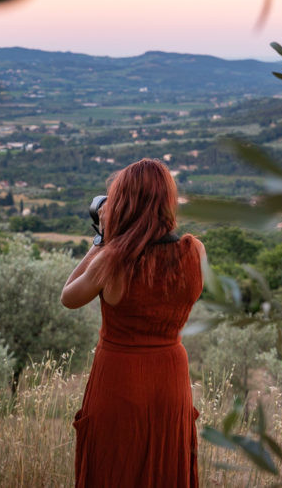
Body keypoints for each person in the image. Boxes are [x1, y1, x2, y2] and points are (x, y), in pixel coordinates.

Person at [61, 158, 205, 488]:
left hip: (119, 381)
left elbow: (68, 296)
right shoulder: (194, 251)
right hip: (171, 381)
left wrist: (102, 240)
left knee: (115, 468)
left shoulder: (111, 261)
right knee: (165, 466)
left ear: (124, 204)